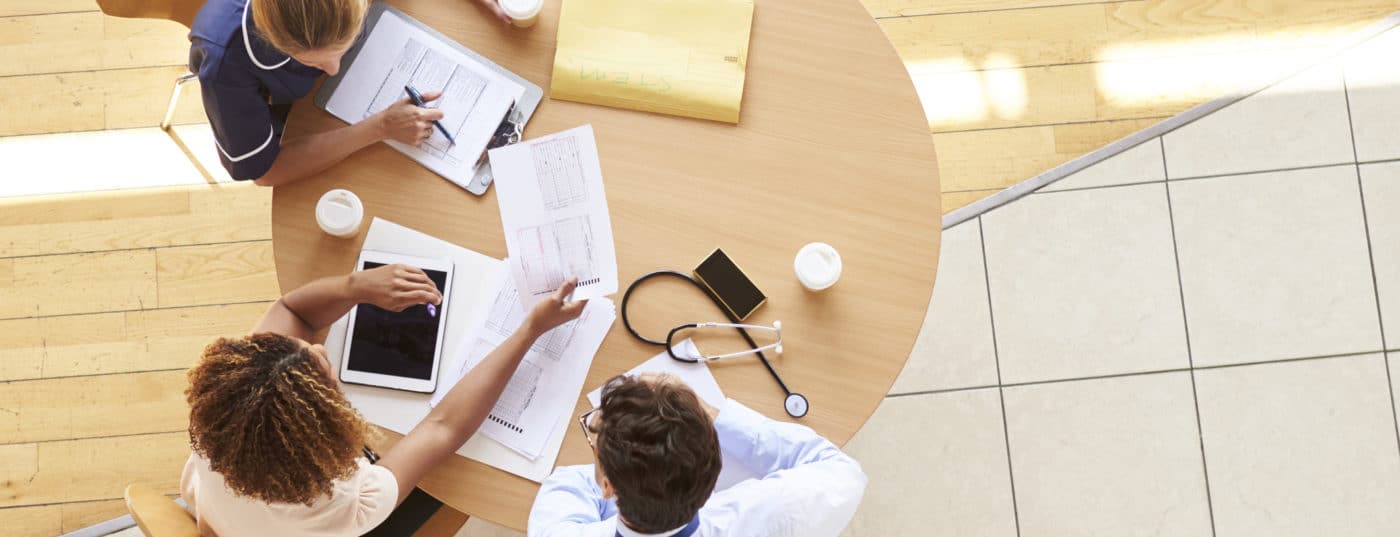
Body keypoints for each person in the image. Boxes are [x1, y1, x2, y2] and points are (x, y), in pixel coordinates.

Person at [181, 263, 587, 536]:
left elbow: (291, 309)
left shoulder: (219, 416)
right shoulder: (342, 499)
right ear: (322, 432)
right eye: (323, 378)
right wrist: (529, 330)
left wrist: (359, 285)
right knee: (446, 482)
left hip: (230, 520)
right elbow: (442, 428)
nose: (320, 352)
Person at [188, 0, 510, 186]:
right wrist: (379, 127)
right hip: (294, 112)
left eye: (344, 45)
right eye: (310, 60)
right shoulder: (223, 61)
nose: (333, 69)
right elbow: (264, 170)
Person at [529, 374, 867, 537]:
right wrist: (714, 416)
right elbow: (843, 473)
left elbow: (568, 484)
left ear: (607, 485)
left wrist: (614, 444)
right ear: (713, 472)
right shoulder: (769, 511)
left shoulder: (558, 528)